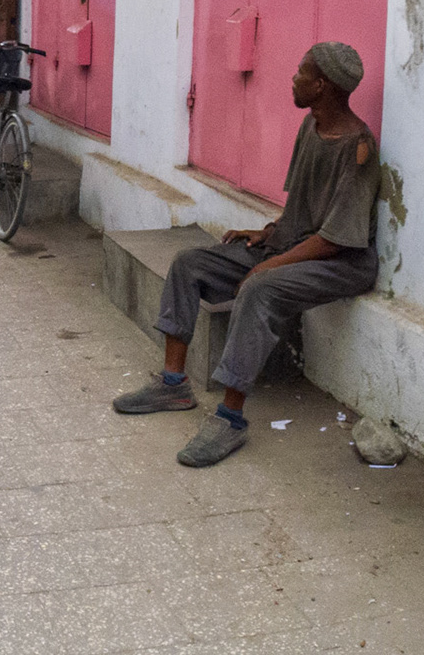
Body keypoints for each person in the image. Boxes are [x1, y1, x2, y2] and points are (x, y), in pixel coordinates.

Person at [112, 42, 379, 467]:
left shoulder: (358, 147)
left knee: (260, 288)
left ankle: (230, 420)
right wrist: (268, 233)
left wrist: (268, 265)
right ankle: (173, 385)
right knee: (189, 264)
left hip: (341, 263)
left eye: (301, 72)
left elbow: (334, 239)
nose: (293, 78)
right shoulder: (311, 127)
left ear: (322, 86)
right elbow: (303, 209)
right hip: (297, 245)